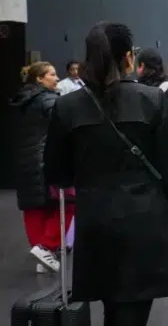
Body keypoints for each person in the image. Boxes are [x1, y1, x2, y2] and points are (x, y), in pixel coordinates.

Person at [43, 22, 168, 326]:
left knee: (113, 311)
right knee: (131, 313)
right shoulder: (151, 101)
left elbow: (57, 172)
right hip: (145, 223)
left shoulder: (67, 106)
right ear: (127, 58)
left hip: (95, 223)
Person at [10, 61, 73, 274]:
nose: (56, 79)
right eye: (52, 74)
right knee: (69, 202)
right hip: (47, 161)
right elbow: (66, 125)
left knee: (34, 207)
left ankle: (43, 254)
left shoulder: (20, 101)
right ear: (39, 78)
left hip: (24, 162)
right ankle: (46, 247)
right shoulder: (50, 100)